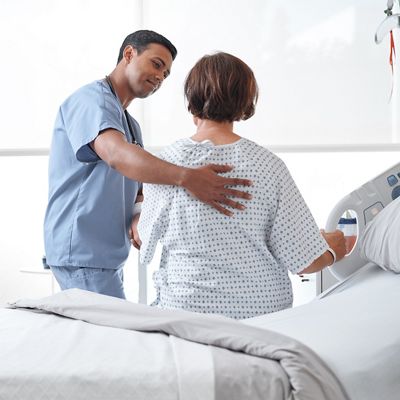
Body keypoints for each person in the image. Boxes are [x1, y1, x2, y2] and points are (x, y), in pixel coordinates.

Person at [136, 52, 346, 319]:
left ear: (191, 100)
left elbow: (145, 239)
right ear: (245, 101)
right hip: (260, 320)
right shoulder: (267, 166)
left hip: (184, 315)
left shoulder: (165, 164)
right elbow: (306, 261)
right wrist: (331, 250)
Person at [43, 31, 252, 300]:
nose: (160, 77)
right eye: (156, 64)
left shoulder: (130, 125)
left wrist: (139, 211)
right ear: (129, 54)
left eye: (166, 74)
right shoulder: (90, 101)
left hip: (105, 255)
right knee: (112, 339)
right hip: (82, 252)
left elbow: (135, 183)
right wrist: (189, 177)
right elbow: (116, 155)